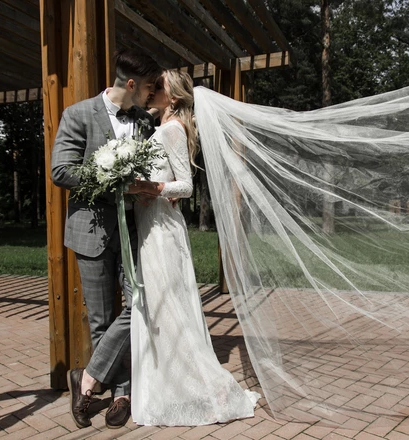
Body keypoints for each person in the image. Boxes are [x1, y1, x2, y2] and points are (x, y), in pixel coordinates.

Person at [126, 70, 260, 426]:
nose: (152, 90)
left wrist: (147, 188)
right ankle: (169, 378)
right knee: (160, 306)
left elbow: (184, 185)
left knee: (168, 306)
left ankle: (190, 385)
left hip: (162, 229)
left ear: (172, 99)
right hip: (151, 224)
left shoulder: (172, 130)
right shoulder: (159, 126)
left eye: (159, 88)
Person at [51, 48, 163, 429]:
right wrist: (113, 179)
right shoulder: (78, 114)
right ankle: (121, 393)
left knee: (138, 306)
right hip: (92, 232)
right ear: (130, 85)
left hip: (134, 232)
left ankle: (88, 381)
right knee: (102, 319)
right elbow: (61, 170)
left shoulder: (145, 122)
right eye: (148, 87)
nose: (151, 94)